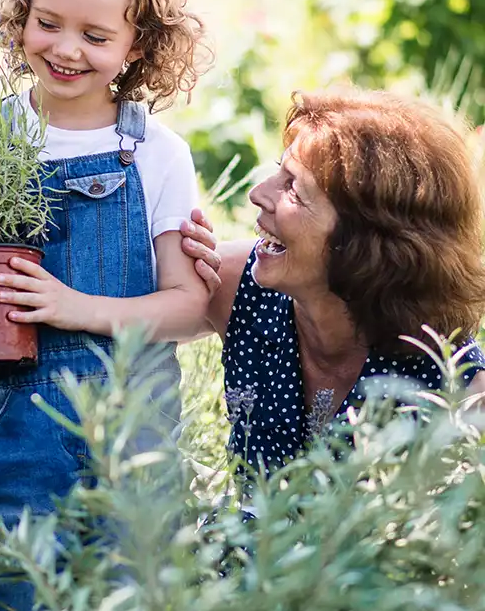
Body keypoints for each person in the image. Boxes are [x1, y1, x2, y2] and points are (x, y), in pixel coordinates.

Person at [0, 0, 211, 611]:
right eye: (48, 22)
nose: (65, 49)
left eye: (96, 36)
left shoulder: (155, 154)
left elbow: (188, 307)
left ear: (137, 44)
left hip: (129, 432)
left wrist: (74, 306)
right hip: (7, 425)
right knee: (8, 609)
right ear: (22, 11)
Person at [179, 88, 485, 473]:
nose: (258, 194)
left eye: (293, 188)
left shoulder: (457, 390)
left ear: (366, 241)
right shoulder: (238, 283)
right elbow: (112, 338)